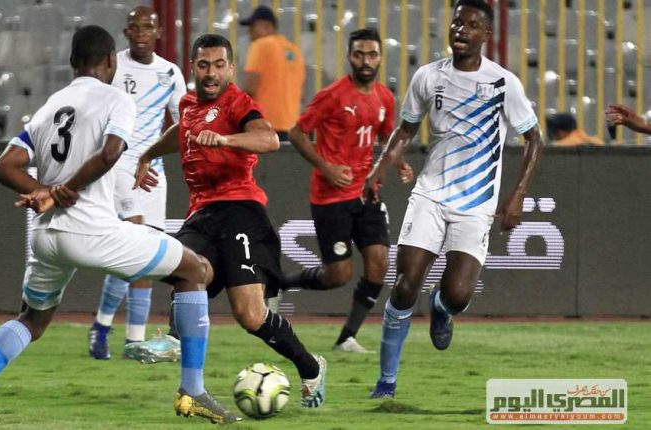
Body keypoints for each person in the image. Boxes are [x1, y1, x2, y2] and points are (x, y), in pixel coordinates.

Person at [0, 25, 239, 429]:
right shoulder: (117, 99)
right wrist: (61, 190)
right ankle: (193, 390)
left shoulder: (51, 106)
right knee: (196, 270)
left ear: (72, 62)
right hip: (93, 231)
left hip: (46, 237)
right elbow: (111, 152)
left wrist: (43, 191)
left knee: (32, 320)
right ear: (112, 61)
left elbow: (4, 166)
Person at [136, 33, 327, 409]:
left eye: (219, 65)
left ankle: (310, 367)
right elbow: (181, 132)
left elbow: (269, 139)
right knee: (184, 267)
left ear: (231, 69)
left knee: (250, 315)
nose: (211, 73)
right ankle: (176, 344)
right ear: (193, 67)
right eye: (204, 65)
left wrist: (225, 140)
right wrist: (147, 154)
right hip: (201, 215)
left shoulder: (238, 103)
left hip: (240, 210)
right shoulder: (188, 104)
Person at [364, 0, 542, 399]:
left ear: (486, 35)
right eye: (457, 22)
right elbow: (406, 130)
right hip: (430, 194)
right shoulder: (428, 77)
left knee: (459, 295)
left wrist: (517, 195)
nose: (461, 29)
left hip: (476, 205)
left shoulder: (503, 83)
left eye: (472, 25)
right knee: (405, 284)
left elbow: (533, 139)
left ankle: (442, 307)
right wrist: (380, 168)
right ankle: (386, 383)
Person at [280, 28, 414, 353]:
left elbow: (385, 135)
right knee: (338, 274)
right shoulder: (332, 95)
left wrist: (398, 162)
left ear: (380, 58)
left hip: (366, 193)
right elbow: (297, 133)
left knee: (379, 262)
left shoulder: (384, 97)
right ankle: (281, 283)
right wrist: (326, 167)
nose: (366, 61)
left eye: (372, 55)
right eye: (359, 54)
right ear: (349, 57)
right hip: (331, 197)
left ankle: (347, 338)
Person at [88, 5, 187, 362]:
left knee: (142, 256)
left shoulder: (170, 73)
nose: (142, 32)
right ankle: (130, 340)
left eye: (148, 27)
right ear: (126, 32)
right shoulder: (113, 67)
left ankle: (105, 328)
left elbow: (183, 122)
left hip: (153, 172)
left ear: (159, 33)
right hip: (119, 167)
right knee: (137, 245)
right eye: (136, 27)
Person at [239, 5, 305, 141]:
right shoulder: (295, 51)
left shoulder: (261, 45)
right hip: (291, 129)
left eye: (253, 26)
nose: (249, 31)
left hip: (264, 127)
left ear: (267, 26)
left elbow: (251, 88)